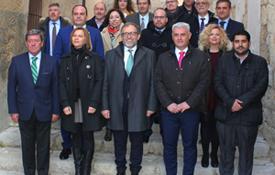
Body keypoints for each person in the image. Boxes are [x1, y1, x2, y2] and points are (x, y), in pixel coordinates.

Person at [155, 22, 210, 175]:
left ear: (189, 36)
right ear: (172, 37)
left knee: (190, 145)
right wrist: (168, 103)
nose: (179, 38)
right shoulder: (163, 58)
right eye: (176, 35)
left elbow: (203, 83)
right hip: (169, 112)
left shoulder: (201, 57)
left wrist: (189, 103)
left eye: (183, 34)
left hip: (191, 111)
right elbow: (158, 82)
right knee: (169, 145)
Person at [102, 22, 157, 175]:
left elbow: (153, 82)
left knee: (137, 141)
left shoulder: (149, 54)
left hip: (139, 105)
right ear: (122, 36)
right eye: (126, 33)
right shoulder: (111, 55)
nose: (129, 36)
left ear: (138, 36)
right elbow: (105, 83)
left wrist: (151, 105)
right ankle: (120, 168)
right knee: (119, 141)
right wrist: (105, 106)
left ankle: (135, 169)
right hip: (116, 105)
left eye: (132, 33)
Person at [53, 4, 104, 160]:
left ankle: (83, 154)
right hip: (68, 84)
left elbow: (100, 57)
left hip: (87, 84)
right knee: (68, 121)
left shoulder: (94, 33)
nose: (79, 16)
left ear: (86, 15)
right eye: (76, 13)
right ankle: (67, 146)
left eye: (82, 13)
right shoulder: (63, 32)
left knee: (84, 124)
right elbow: (57, 56)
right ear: (72, 15)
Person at [214, 30, 268, 175]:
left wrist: (242, 102)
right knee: (225, 155)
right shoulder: (224, 60)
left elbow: (260, 86)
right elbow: (217, 83)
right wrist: (231, 102)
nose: (240, 45)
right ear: (233, 43)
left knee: (246, 155)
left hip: (248, 117)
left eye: (243, 41)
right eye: (237, 41)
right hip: (226, 116)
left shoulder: (259, 62)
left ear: (248, 43)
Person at [7, 29, 59, 175]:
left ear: (42, 43)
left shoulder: (52, 61)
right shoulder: (17, 61)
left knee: (43, 146)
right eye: (30, 41)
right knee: (27, 145)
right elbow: (11, 88)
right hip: (24, 111)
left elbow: (55, 88)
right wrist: (13, 110)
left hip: (45, 110)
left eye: (36, 41)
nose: (33, 44)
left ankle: (43, 172)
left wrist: (56, 110)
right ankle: (29, 172)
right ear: (26, 43)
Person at [59, 27, 104, 175]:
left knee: (87, 136)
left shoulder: (94, 58)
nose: (76, 38)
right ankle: (78, 169)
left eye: (80, 36)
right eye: (74, 36)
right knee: (75, 135)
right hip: (72, 104)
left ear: (86, 39)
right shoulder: (65, 59)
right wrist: (65, 103)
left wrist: (94, 103)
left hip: (88, 103)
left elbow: (99, 81)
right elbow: (60, 83)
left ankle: (86, 169)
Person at [198, 24, 232, 168]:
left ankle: (214, 155)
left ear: (221, 37)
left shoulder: (227, 56)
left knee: (217, 128)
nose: (214, 37)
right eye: (211, 34)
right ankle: (205, 154)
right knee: (205, 126)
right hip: (205, 95)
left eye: (217, 34)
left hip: (221, 95)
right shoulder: (200, 54)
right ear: (207, 36)